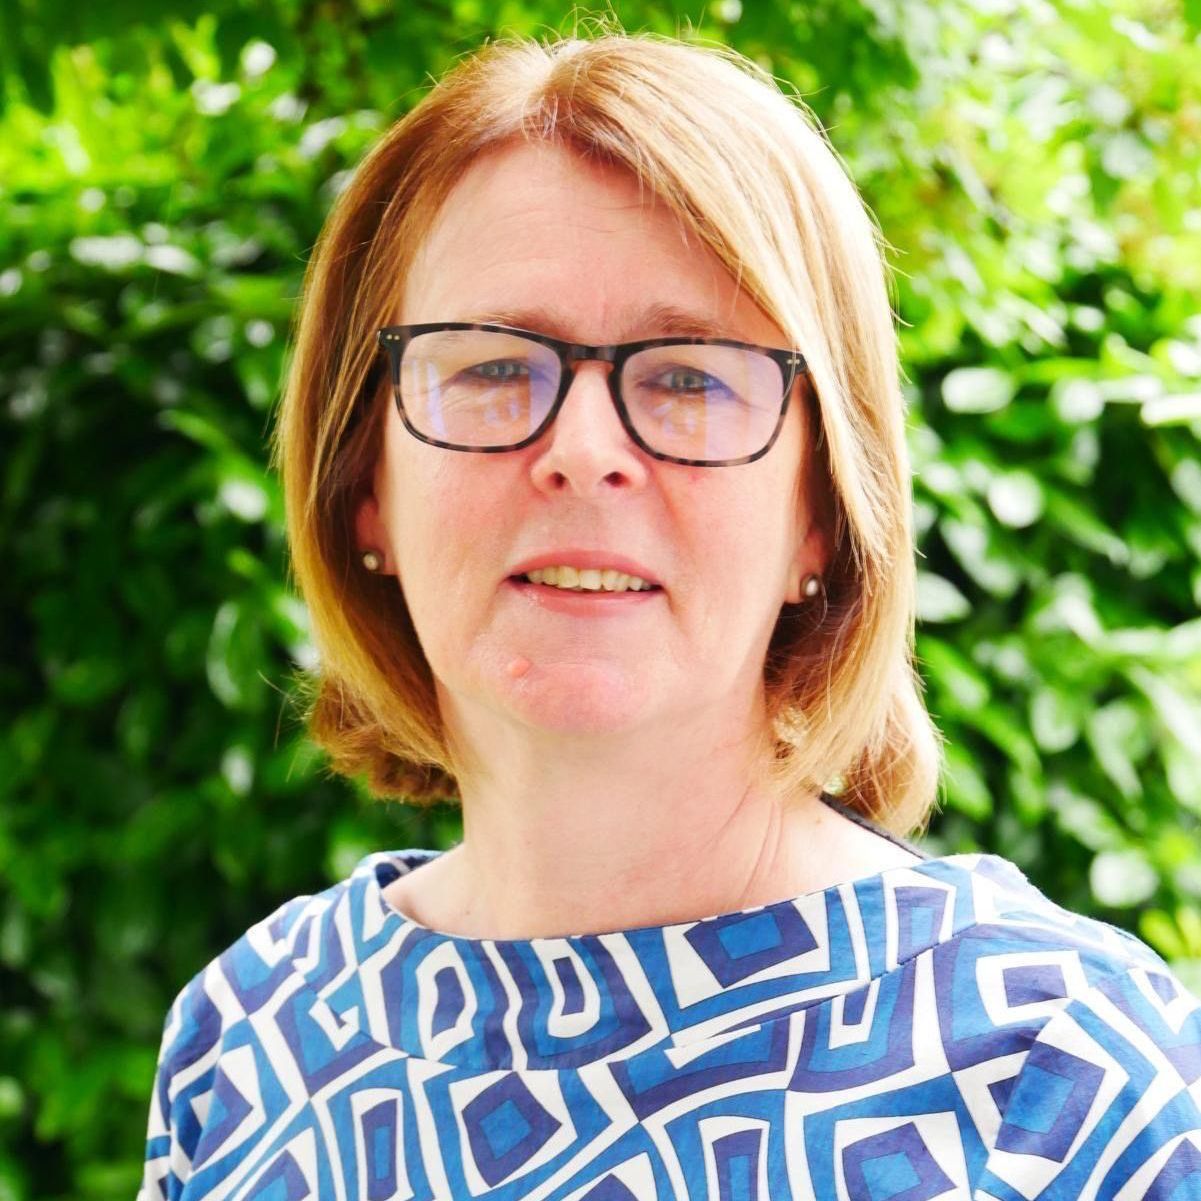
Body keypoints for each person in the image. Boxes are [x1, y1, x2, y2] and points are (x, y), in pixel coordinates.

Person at [139, 30, 1201, 1201]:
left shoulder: (1063, 1080)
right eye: (492, 367)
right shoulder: (247, 1043)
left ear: (820, 511)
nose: (583, 451)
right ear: (363, 488)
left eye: (690, 375)